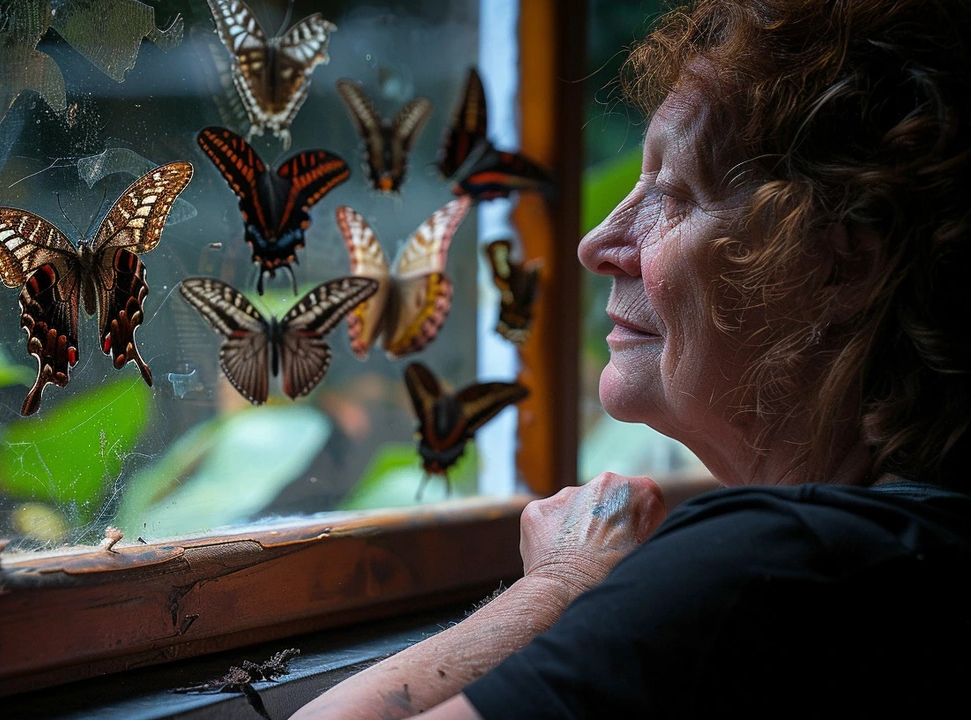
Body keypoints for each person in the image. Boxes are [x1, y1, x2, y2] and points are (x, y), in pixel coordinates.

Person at [293, 0, 971, 717]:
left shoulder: (766, 568)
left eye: (672, 193)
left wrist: (561, 583)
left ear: (840, 267)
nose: (596, 243)